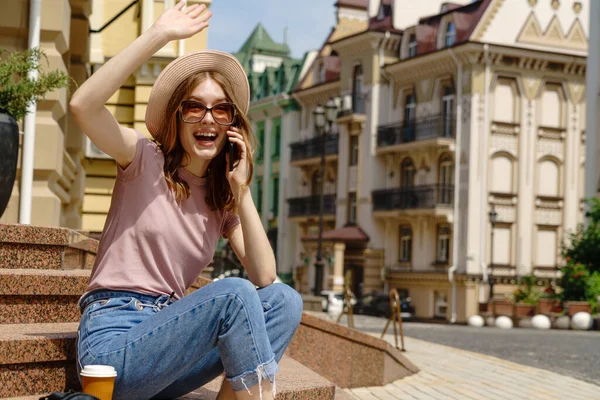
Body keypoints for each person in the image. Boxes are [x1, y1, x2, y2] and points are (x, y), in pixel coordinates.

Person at [69, 2, 303, 399]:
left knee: (285, 300)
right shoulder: (143, 157)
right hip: (113, 347)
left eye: (221, 109)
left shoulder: (221, 198)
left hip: (169, 353)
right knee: (233, 293)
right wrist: (158, 34)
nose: (208, 118)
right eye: (194, 107)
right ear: (176, 117)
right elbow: (83, 106)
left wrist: (241, 192)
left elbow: (266, 278)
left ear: (232, 125)